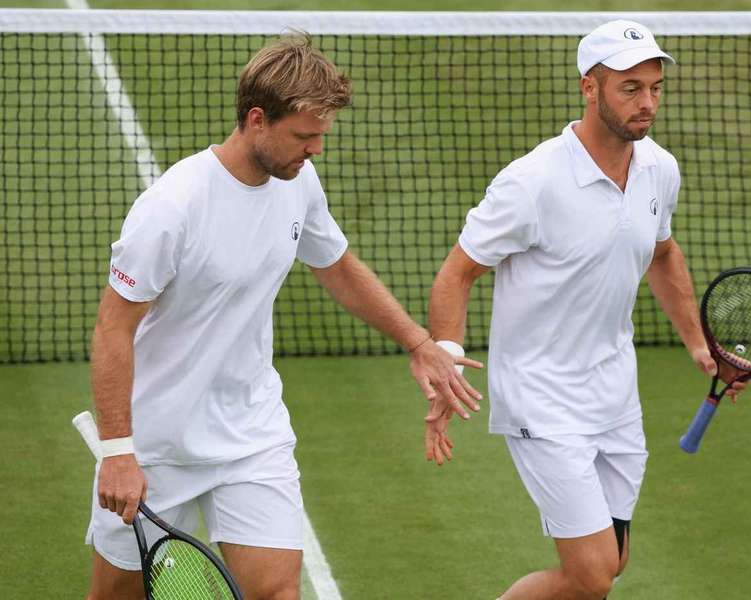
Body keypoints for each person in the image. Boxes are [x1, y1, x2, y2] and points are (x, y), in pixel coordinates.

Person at [85, 33, 482, 600]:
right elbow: (112, 328)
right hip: (157, 440)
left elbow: (336, 265)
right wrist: (119, 452)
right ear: (256, 120)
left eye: (321, 135)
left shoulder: (298, 182)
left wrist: (418, 342)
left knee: (278, 592)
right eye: (304, 135)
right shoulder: (172, 209)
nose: (316, 149)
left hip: (251, 433)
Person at [425, 20, 749, 599]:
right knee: (591, 574)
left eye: (654, 87)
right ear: (590, 88)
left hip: (615, 392)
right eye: (630, 88)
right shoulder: (532, 183)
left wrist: (702, 346)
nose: (647, 102)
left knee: (612, 562)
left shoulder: (659, 168)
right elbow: (457, 273)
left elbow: (663, 253)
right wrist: (446, 358)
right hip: (542, 395)